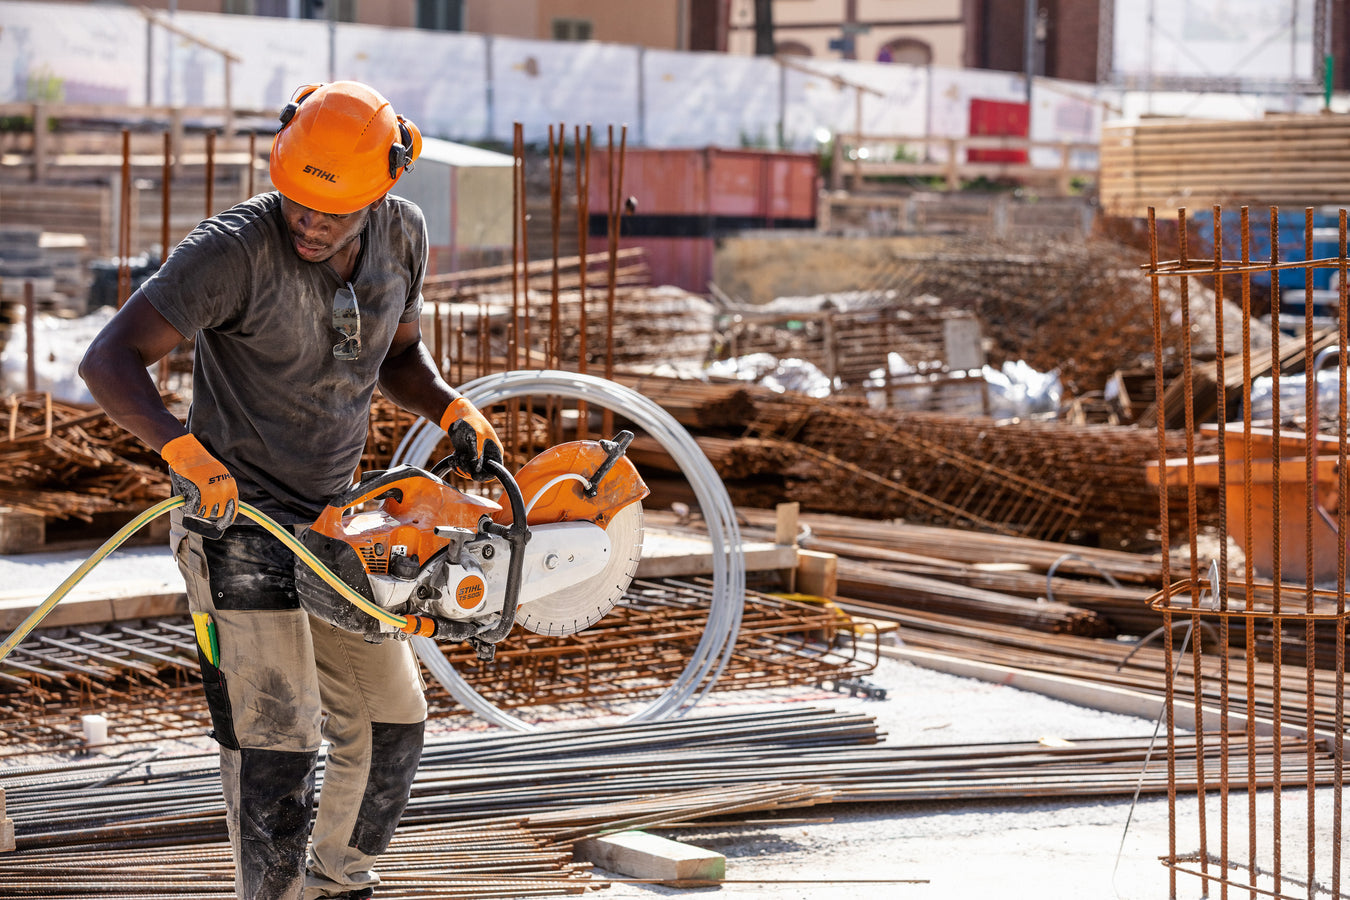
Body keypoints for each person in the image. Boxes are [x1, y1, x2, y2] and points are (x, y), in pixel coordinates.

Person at [78, 81, 501, 900]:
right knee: (277, 742)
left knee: (391, 724)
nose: (308, 223)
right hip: (234, 524)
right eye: (297, 203)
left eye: (330, 213)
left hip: (338, 522)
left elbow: (399, 358)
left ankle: (335, 885)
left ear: (383, 189)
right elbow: (108, 358)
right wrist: (181, 448)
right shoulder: (231, 250)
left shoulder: (402, 237)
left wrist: (448, 405)